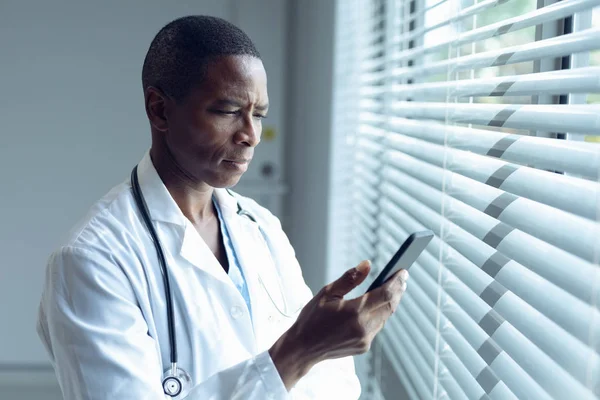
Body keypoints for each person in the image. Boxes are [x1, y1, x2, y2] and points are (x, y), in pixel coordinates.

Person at [36, 15, 409, 399]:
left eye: (259, 115)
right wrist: (299, 351)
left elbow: (328, 382)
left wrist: (324, 340)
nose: (250, 135)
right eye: (228, 111)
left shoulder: (260, 226)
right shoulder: (91, 260)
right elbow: (298, 357)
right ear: (160, 109)